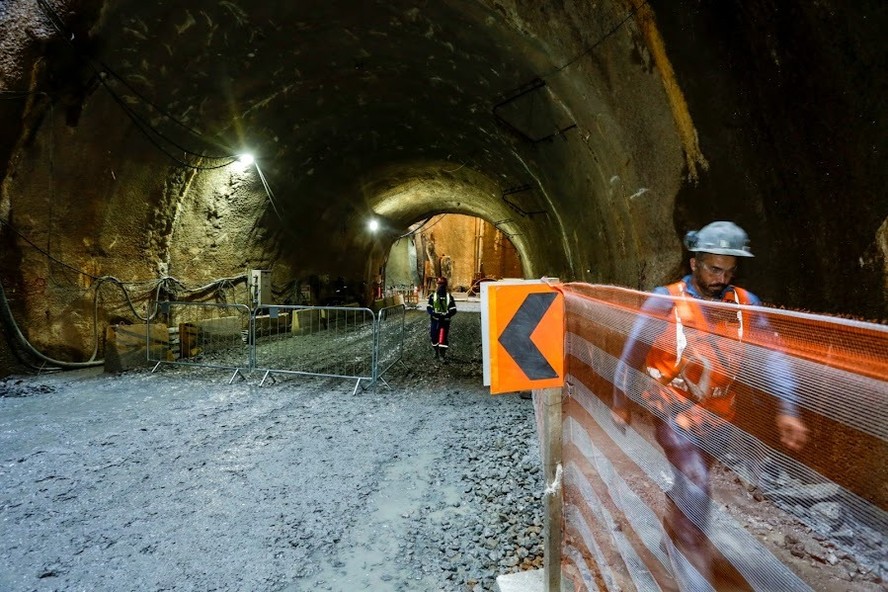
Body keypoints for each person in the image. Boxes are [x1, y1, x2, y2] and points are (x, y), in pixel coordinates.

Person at [611, 221, 807, 587]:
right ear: (694, 264)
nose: (722, 278)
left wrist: (788, 407)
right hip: (673, 411)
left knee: (692, 481)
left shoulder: (745, 304)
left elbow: (773, 355)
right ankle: (691, 564)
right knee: (697, 481)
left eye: (730, 271)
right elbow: (633, 349)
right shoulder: (666, 300)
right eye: (714, 269)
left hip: (718, 418)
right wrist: (619, 400)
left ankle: (673, 529)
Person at [427, 276, 457, 362]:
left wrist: (447, 315)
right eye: (439, 284)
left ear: (445, 285)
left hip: (444, 322)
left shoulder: (449, 297)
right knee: (434, 338)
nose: (441, 286)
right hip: (435, 321)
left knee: (442, 338)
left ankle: (442, 355)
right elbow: (429, 308)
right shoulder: (432, 296)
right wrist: (434, 313)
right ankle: (436, 352)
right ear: (437, 285)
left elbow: (453, 310)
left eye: (442, 284)